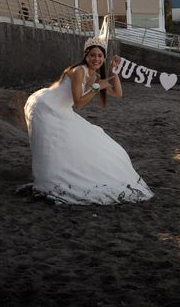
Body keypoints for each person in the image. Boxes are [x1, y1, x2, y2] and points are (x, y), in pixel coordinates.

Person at [24, 36, 153, 205]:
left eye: (100, 56)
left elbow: (118, 93)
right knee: (52, 145)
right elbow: (78, 103)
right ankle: (49, 183)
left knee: (97, 141)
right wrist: (98, 86)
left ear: (104, 58)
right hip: (44, 106)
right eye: (92, 55)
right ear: (86, 56)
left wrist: (114, 73)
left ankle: (59, 178)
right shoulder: (79, 71)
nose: (96, 59)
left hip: (61, 109)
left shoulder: (93, 76)